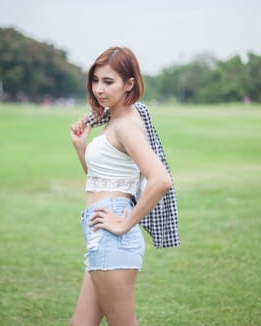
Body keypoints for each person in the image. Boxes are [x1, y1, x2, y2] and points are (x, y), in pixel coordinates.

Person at [69, 47, 179, 326]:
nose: (98, 89)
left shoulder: (126, 125)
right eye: (95, 80)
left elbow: (161, 179)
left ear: (129, 84)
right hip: (100, 232)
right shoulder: (115, 121)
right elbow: (101, 179)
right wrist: (81, 148)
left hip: (112, 234)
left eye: (108, 82)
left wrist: (125, 223)